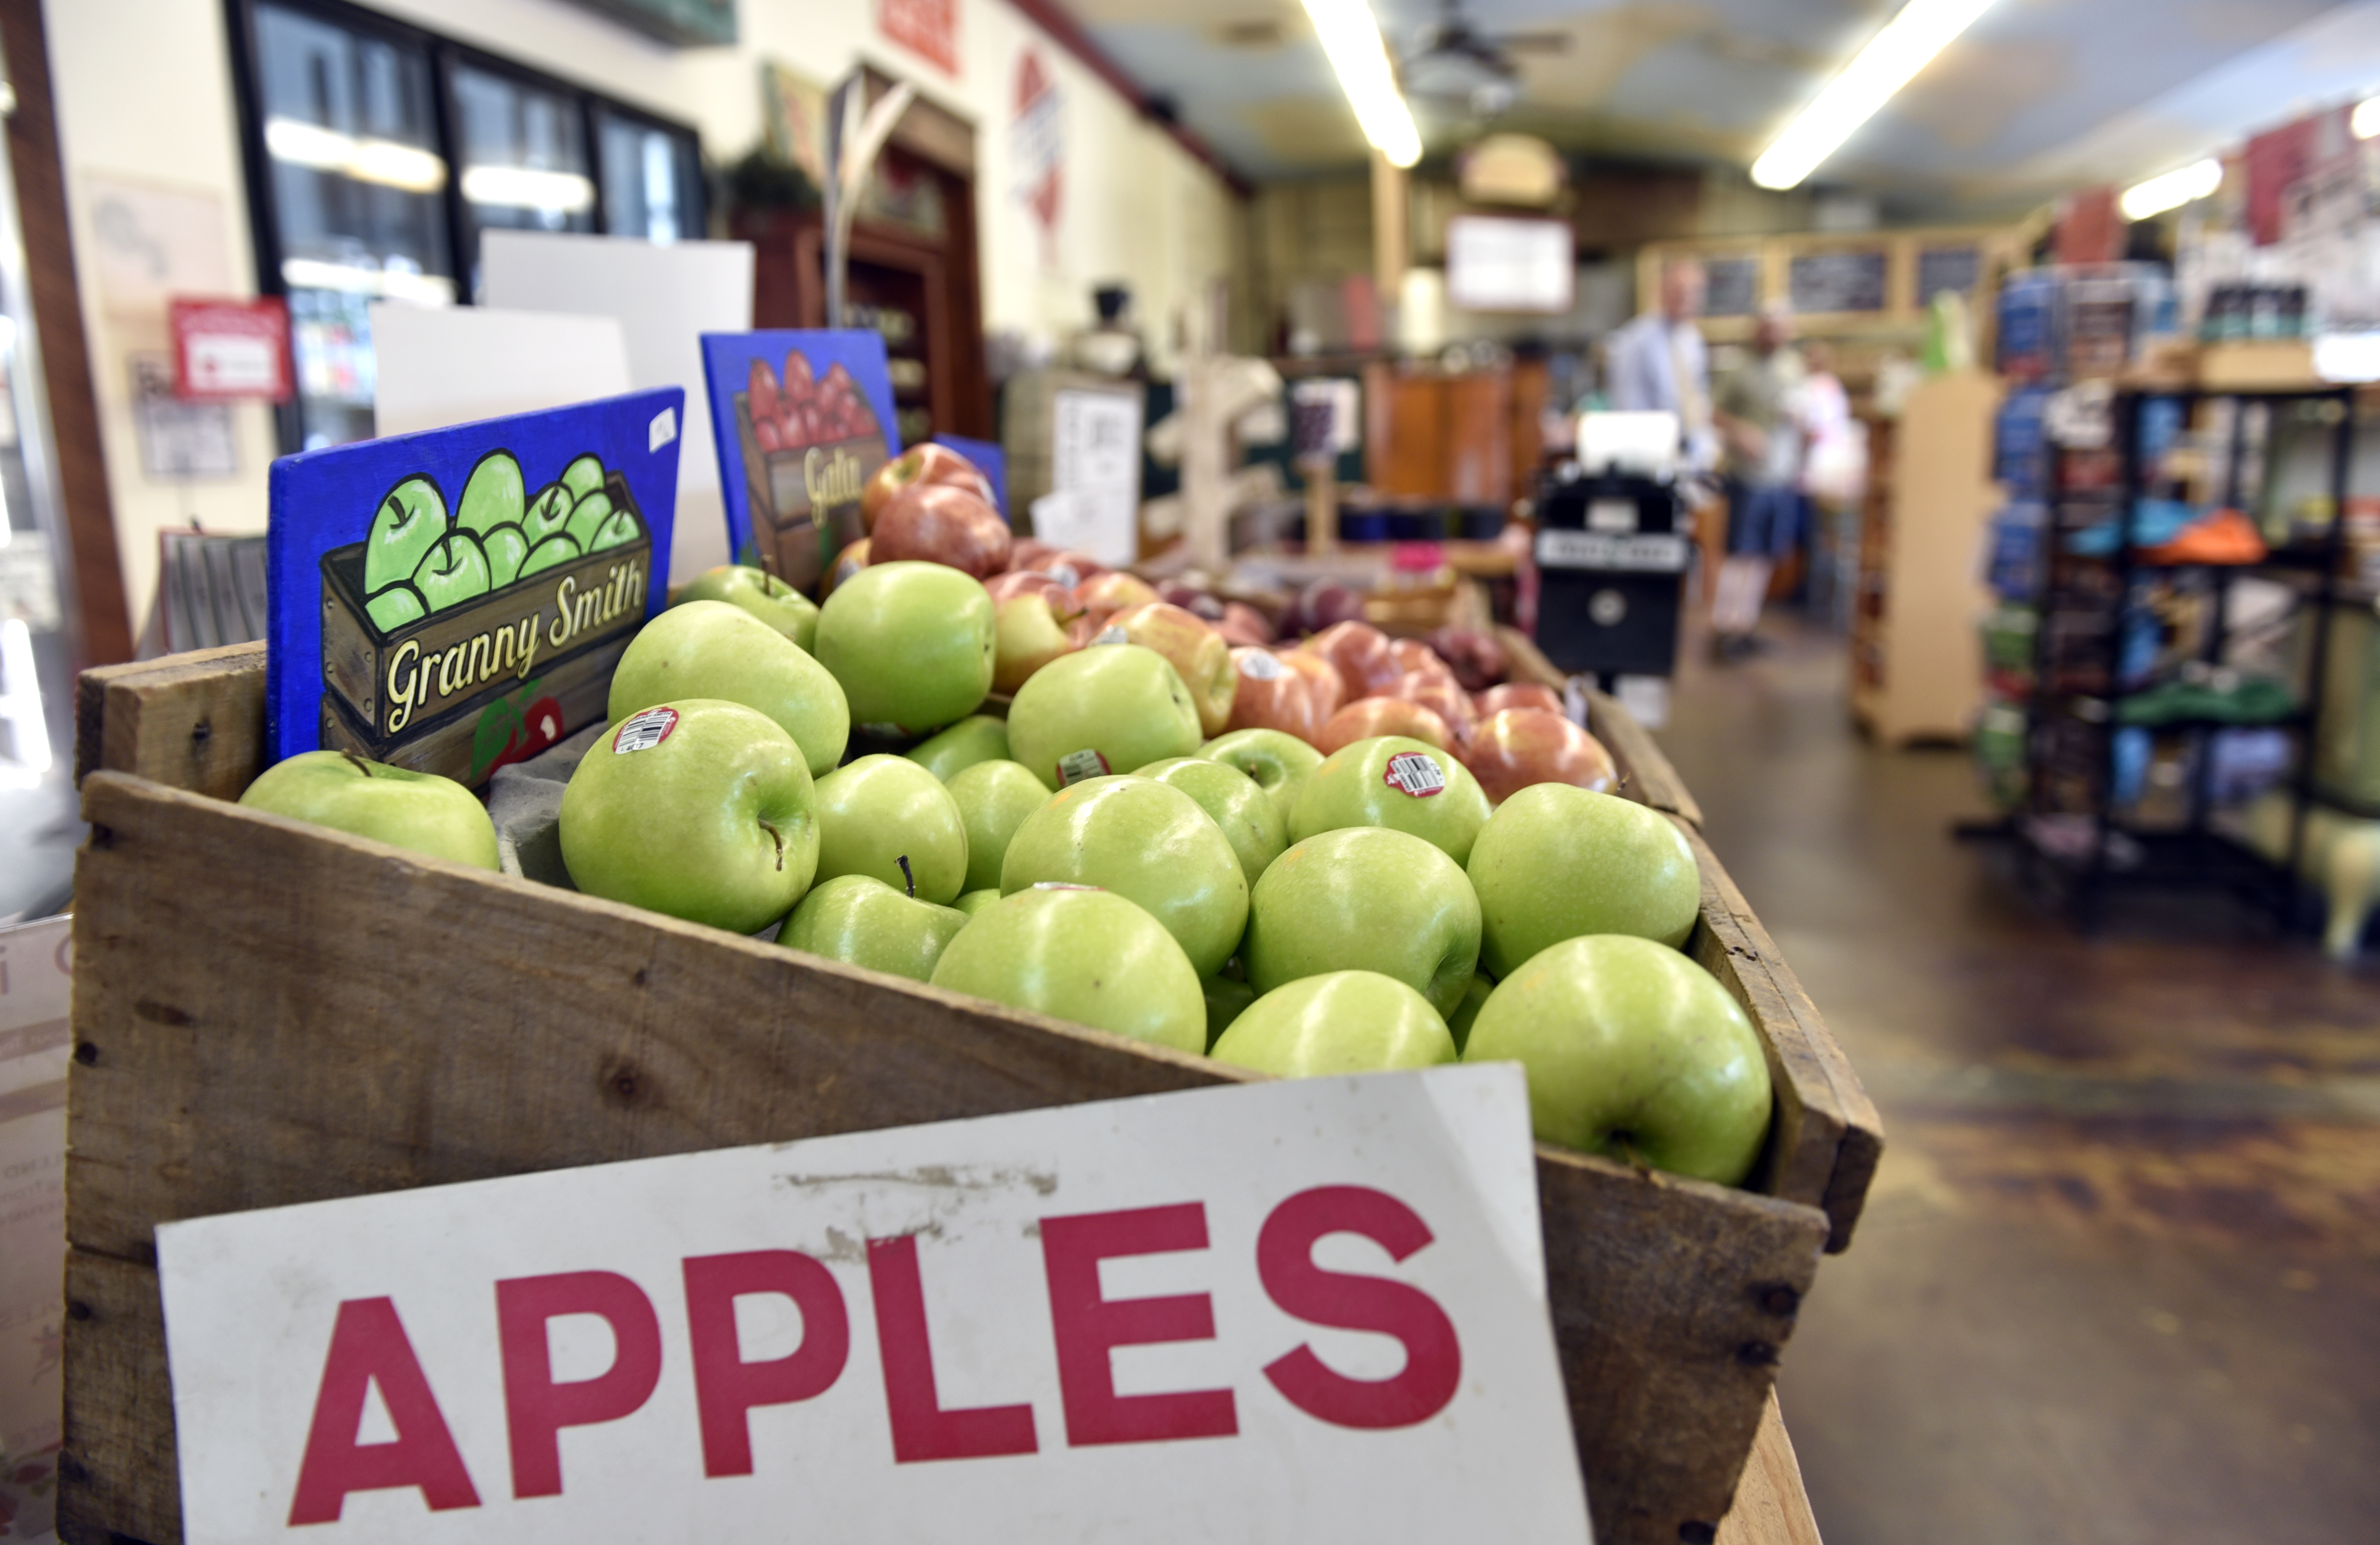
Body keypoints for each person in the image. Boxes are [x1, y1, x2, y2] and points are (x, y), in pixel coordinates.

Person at [1708, 303, 1806, 658]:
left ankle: (1743, 624)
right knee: (1739, 552)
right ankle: (1722, 627)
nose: (1774, 334)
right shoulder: (1737, 368)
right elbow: (1713, 413)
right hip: (1747, 475)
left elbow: (1799, 412)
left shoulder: (1791, 367)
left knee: (1765, 554)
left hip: (1781, 474)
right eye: (1768, 327)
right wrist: (1742, 433)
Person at [1604, 259, 1717, 474]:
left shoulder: (1693, 340)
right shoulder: (1635, 341)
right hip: (1648, 460)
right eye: (1678, 289)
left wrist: (1705, 446)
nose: (1685, 297)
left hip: (1688, 458)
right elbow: (1626, 408)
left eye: (1694, 291)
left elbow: (1697, 400)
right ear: (1662, 290)